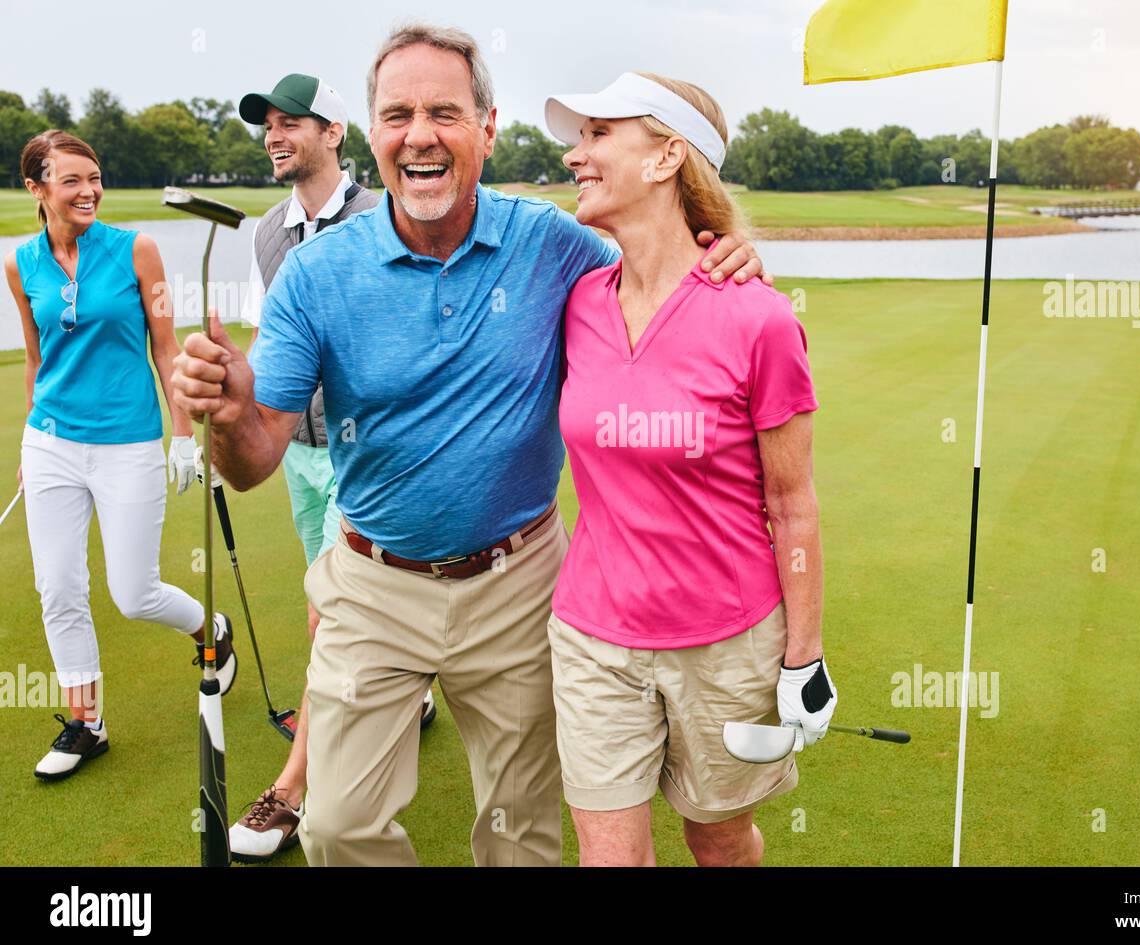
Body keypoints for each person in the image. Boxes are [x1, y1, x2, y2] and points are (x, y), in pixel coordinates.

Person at [171, 21, 766, 866]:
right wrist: (228, 417)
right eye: (398, 114)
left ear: (487, 130)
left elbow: (658, 260)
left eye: (445, 114)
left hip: (518, 579)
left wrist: (726, 249)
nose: (420, 135)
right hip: (373, 583)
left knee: (520, 829)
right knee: (338, 826)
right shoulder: (313, 273)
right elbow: (258, 455)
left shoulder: (551, 245)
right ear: (372, 135)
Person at [543, 72, 837, 866]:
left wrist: (804, 656)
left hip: (730, 641)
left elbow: (793, 501)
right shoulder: (577, 302)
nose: (576, 155)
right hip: (593, 635)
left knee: (720, 840)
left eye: (598, 134)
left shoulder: (759, 317)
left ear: (669, 155)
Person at [224, 72, 435, 864]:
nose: (275, 137)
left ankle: (293, 786)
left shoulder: (384, 217)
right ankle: (405, 692)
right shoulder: (268, 233)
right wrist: (228, 413)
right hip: (300, 457)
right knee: (341, 608)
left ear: (334, 133)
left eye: (291, 123)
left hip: (367, 455)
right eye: (268, 126)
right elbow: (272, 346)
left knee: (332, 616)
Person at [4, 130, 235, 783]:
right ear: (37, 188)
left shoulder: (138, 249)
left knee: (133, 593)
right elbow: (36, 356)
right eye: (71, 180)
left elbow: (166, 349)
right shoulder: (20, 263)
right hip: (50, 441)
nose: (89, 190)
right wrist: (31, 441)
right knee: (59, 588)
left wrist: (183, 434)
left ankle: (208, 629)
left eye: (94, 178)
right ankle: (87, 724)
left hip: (127, 442)